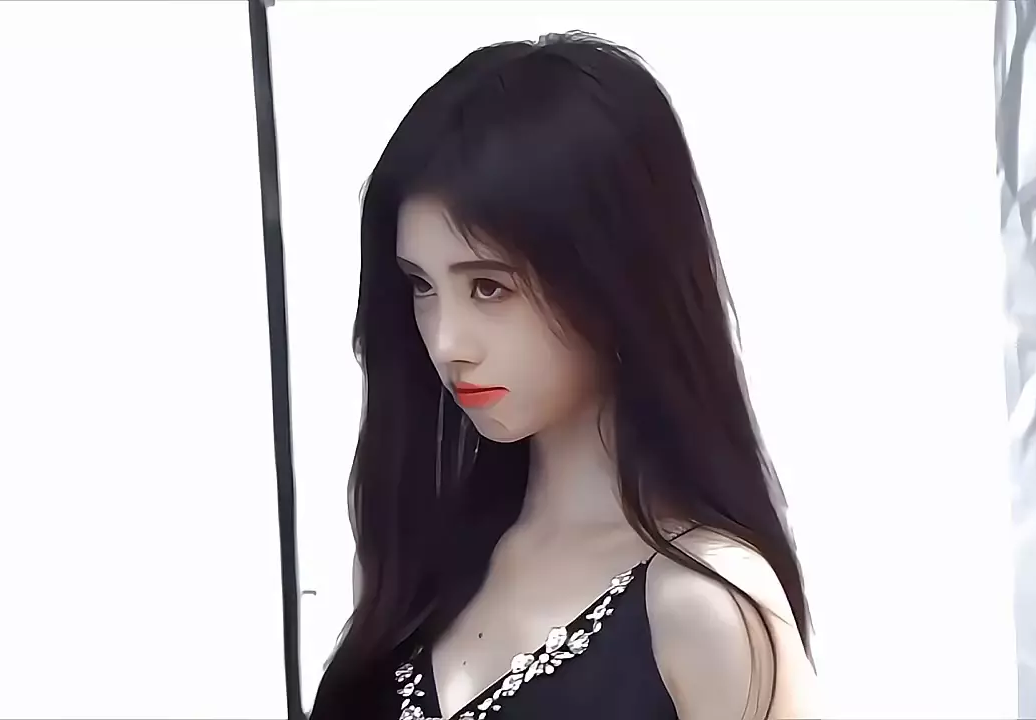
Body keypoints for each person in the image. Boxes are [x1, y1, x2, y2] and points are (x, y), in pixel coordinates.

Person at [308, 31, 819, 720]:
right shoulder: (418, 563)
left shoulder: (707, 604)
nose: (446, 341)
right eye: (421, 286)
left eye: (489, 287)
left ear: (614, 275)